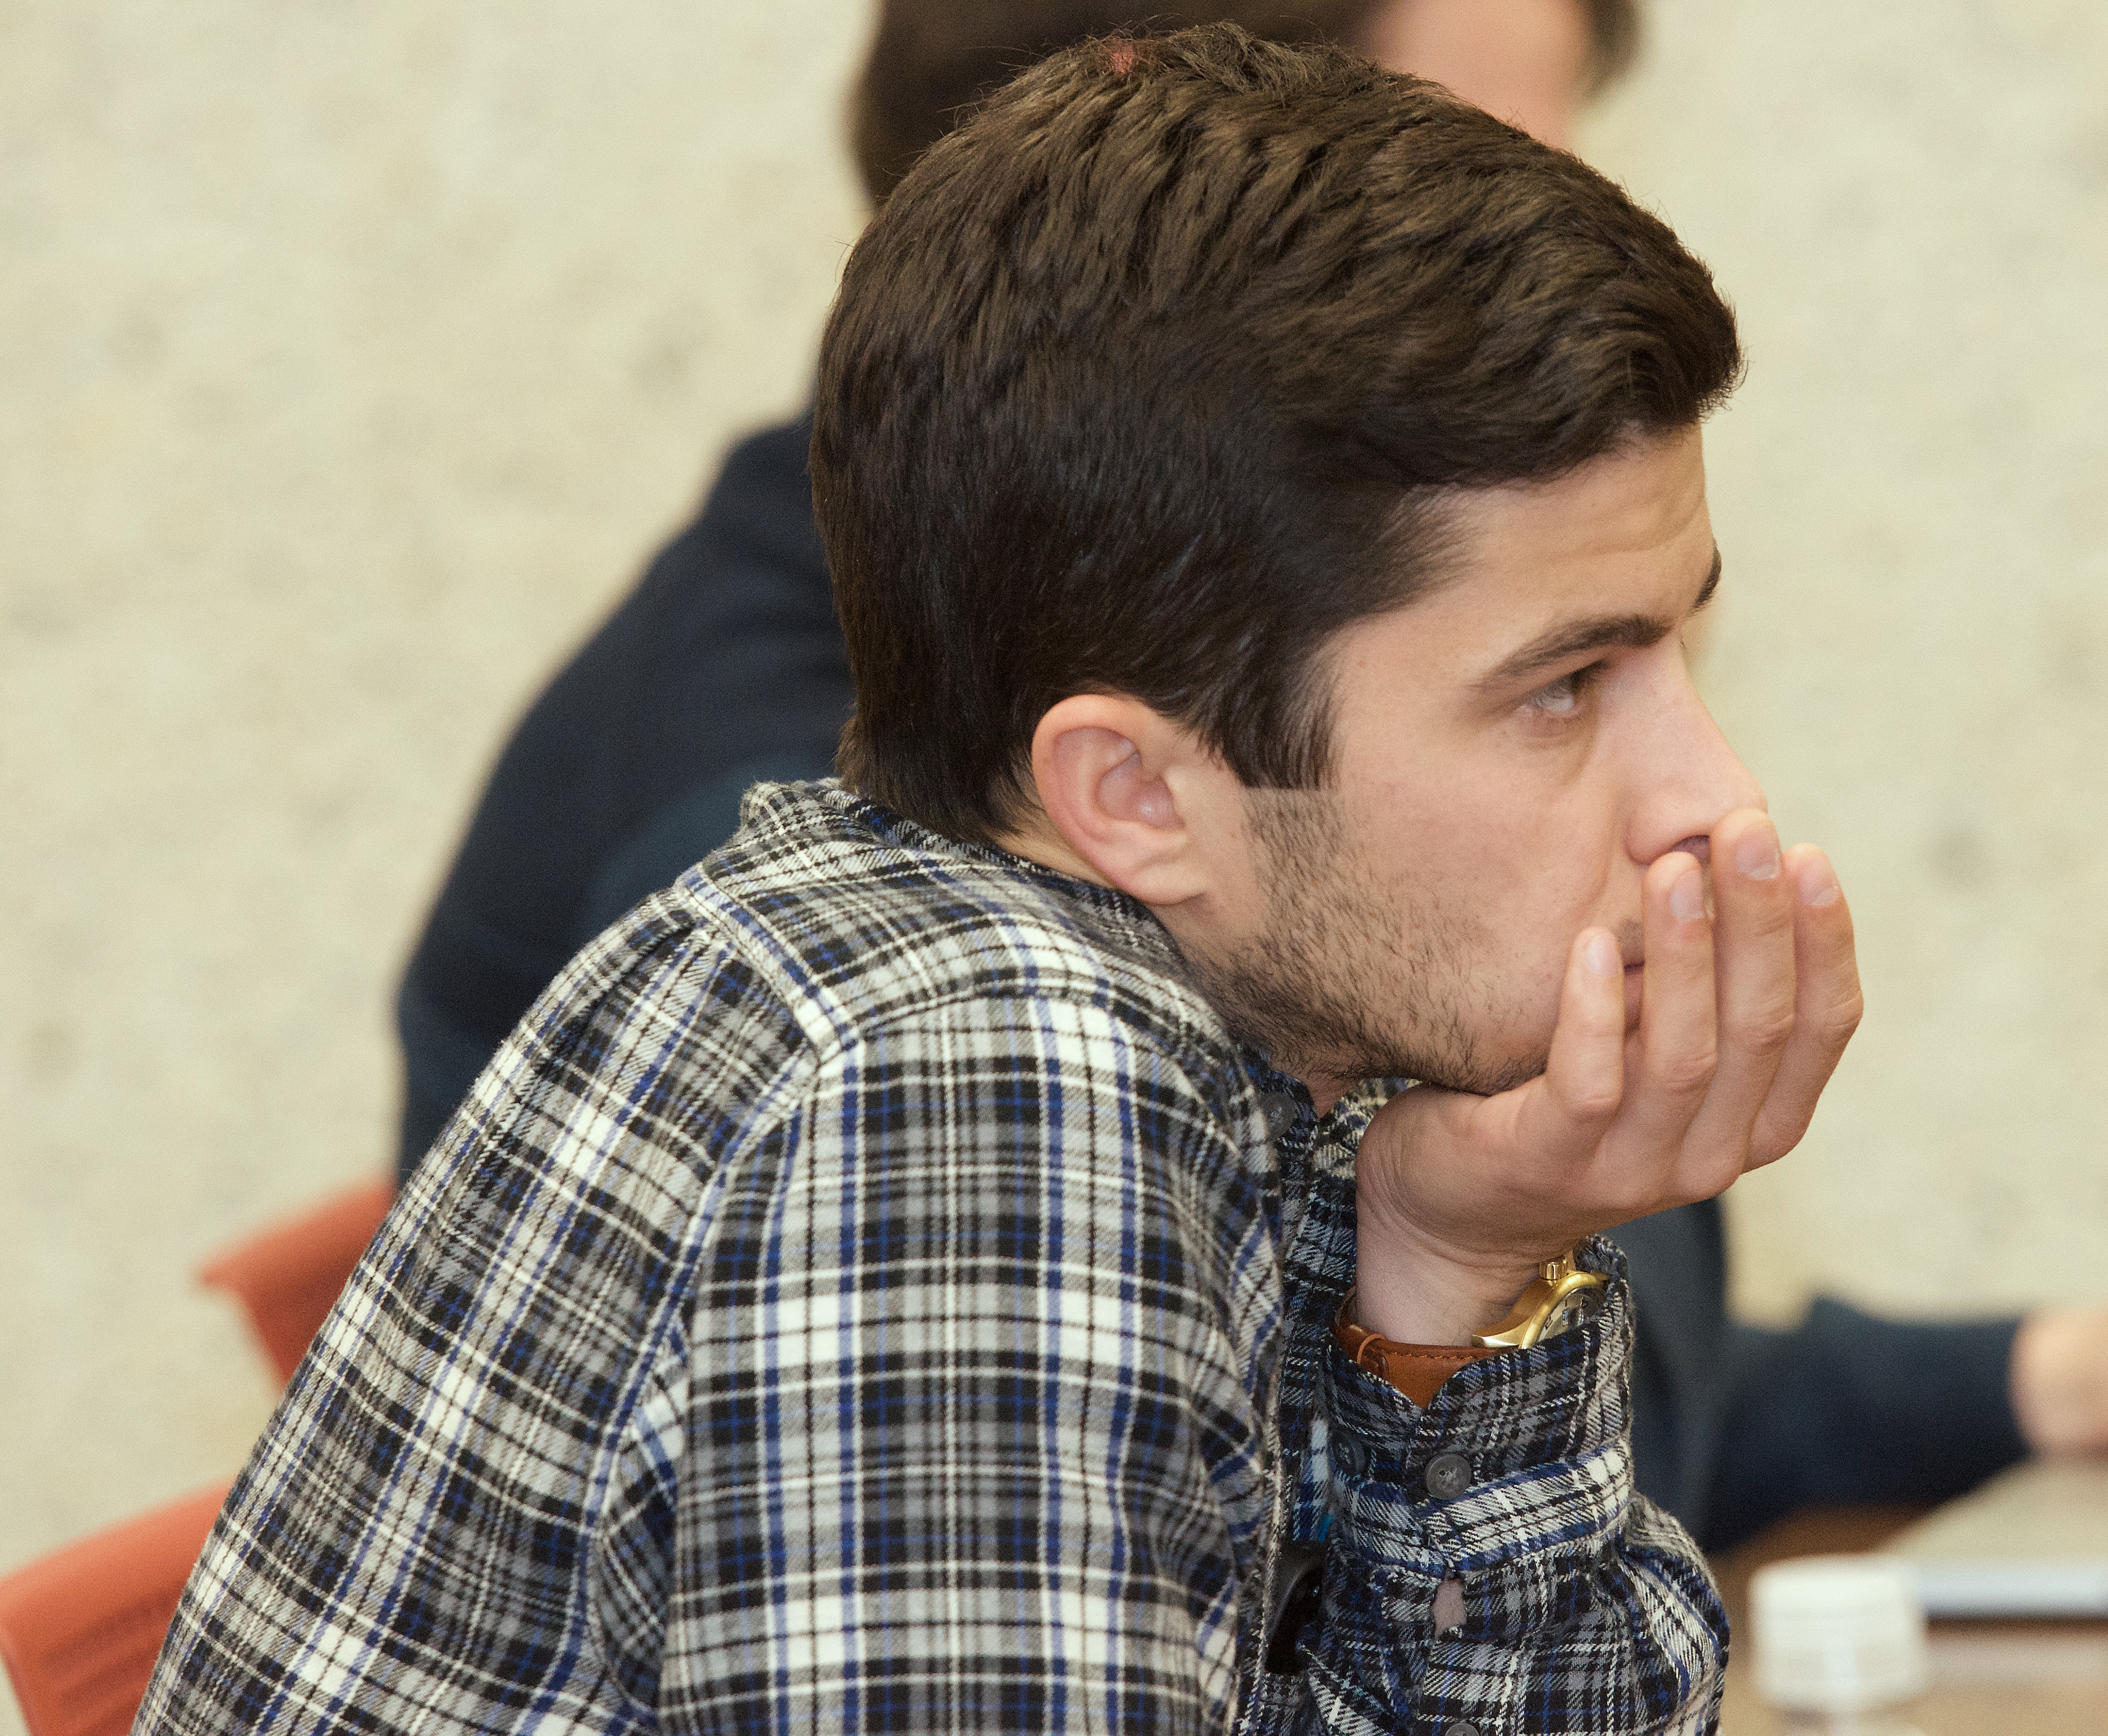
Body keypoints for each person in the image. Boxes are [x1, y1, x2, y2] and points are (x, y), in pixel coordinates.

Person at [388, 0, 2108, 1563]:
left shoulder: (1288, 810)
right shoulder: (941, 1009)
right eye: (1430, 202)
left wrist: (2036, 1366)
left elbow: (1490, 1486)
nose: (1711, 797)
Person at [148, 28, 1812, 1728]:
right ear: (1137, 794)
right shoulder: (971, 1072)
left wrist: (1457, 1274)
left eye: (1684, 653)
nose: (1716, 799)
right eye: (1563, 689)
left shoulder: (1211, 1052)